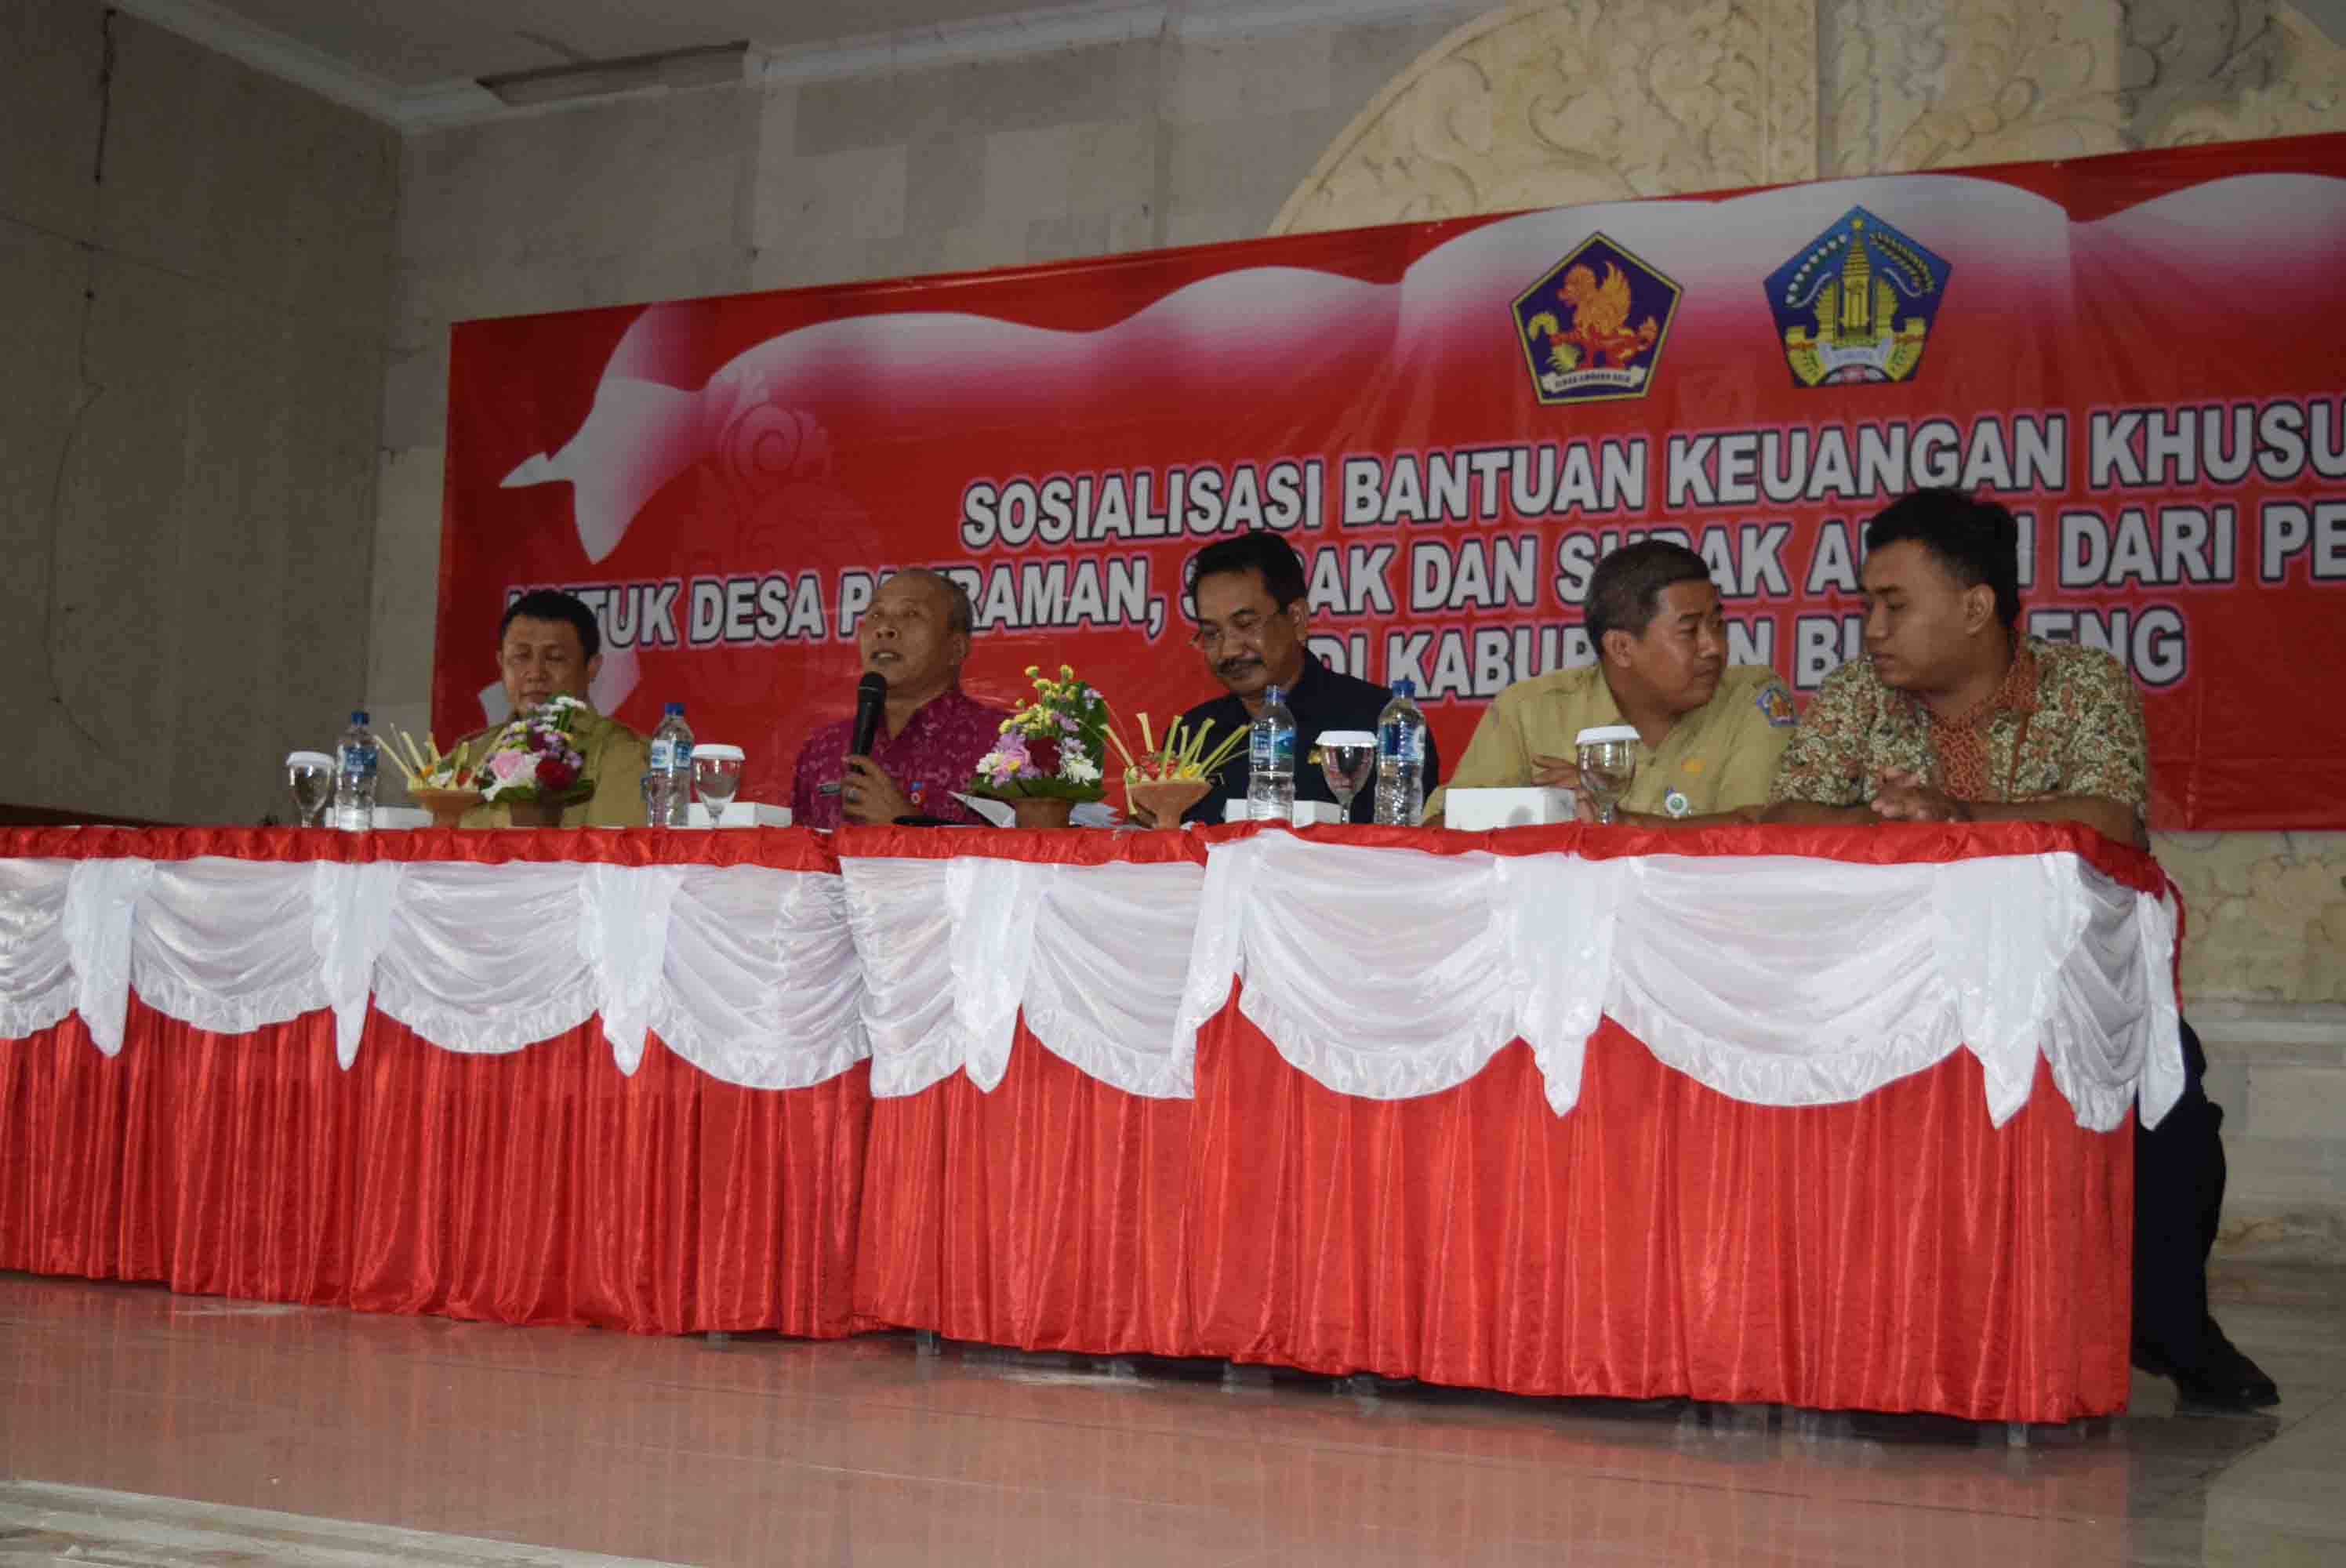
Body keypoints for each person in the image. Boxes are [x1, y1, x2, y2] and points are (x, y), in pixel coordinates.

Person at [1764, 485, 2279, 1412]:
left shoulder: (2081, 685)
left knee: (2173, 1105)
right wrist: (1894, 827)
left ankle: (2172, 1325)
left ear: (1975, 606)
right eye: (1866, 604)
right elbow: (1794, 812)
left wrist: (1957, 817)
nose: (1871, 629)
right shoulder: (1856, 694)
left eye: (1893, 604)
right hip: (1891, 985)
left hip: (2063, 982)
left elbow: (2109, 817)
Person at [1422, 539, 1797, 826]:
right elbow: (1438, 829)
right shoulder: (1530, 711)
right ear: (1621, 648)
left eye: (1717, 624)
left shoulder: (1751, 699)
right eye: (1689, 631)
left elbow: (1762, 830)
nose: (1714, 647)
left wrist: (1619, 824)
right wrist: (1538, 812)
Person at [1167, 530, 1439, 824]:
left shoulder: (1380, 722)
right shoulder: (1192, 736)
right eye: (1211, 633)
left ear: (1297, 619)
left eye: (1245, 625)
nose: (1228, 650)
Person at [790, 568, 1009, 829]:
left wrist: (908, 823)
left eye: (911, 614)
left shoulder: (1005, 745)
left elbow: (1031, 851)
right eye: (876, 614)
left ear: (956, 648)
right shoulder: (824, 748)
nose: (884, 629)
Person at [454, 590, 648, 828]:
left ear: (591, 667)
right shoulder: (470, 754)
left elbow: (614, 849)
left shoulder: (622, 753)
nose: (535, 673)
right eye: (520, 656)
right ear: (501, 663)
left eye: (555, 658)